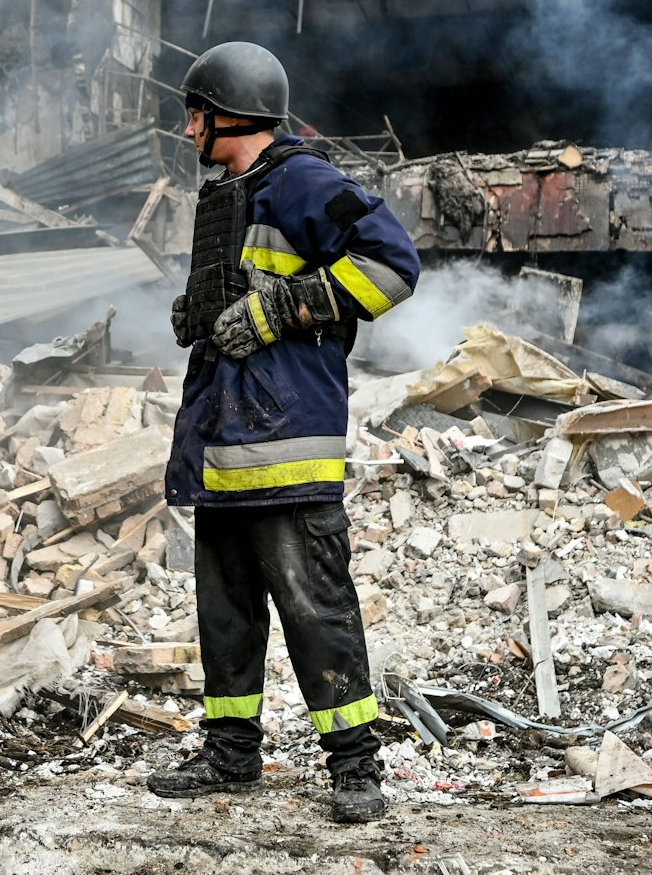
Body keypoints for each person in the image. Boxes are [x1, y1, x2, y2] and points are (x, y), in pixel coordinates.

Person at [147, 42, 421, 824]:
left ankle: (355, 767)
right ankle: (231, 755)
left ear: (229, 112)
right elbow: (240, 296)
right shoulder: (228, 195)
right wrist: (200, 313)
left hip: (288, 454)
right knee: (226, 617)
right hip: (224, 454)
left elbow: (394, 263)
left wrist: (282, 310)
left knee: (316, 610)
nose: (189, 124)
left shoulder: (303, 181)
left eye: (195, 110)